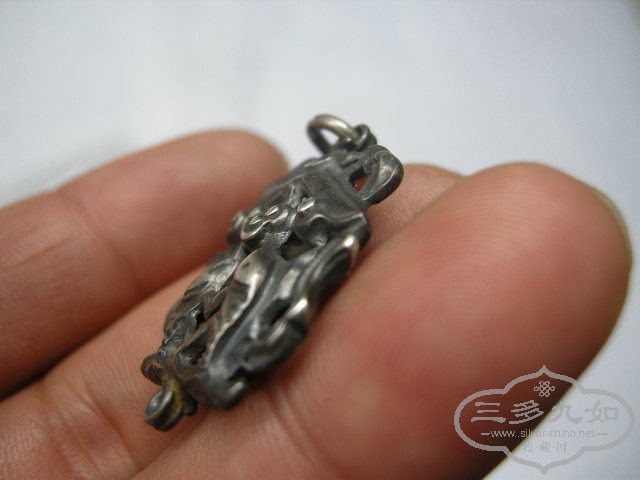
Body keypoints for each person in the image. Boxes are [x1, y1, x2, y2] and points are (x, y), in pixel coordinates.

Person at [0, 130, 630, 479]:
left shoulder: (344, 213)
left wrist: (292, 239)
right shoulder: (311, 190)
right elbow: (246, 228)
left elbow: (320, 252)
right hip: (250, 268)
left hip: (272, 273)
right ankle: (196, 358)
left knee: (243, 296)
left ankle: (209, 359)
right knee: (215, 294)